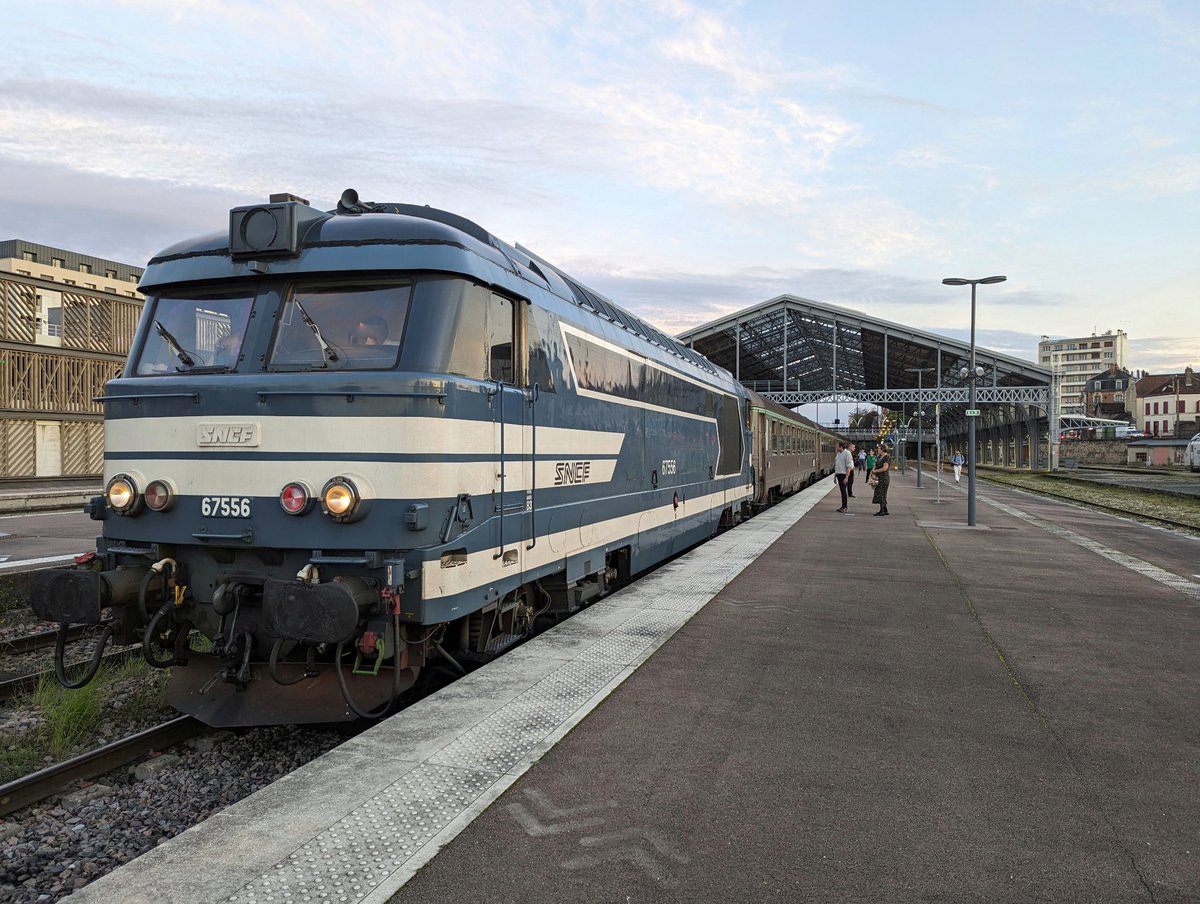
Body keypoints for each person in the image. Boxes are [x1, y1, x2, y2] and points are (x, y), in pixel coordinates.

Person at [833, 441, 853, 513]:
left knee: (844, 491)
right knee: (842, 491)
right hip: (839, 474)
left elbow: (848, 466)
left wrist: (847, 477)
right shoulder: (838, 454)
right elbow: (837, 465)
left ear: (841, 447)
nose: (836, 447)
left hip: (844, 474)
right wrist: (835, 476)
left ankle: (845, 507)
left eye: (837, 446)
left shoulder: (847, 453)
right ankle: (843, 506)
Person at [872, 444, 891, 516]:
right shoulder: (879, 456)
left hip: (884, 478)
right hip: (879, 477)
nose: (878, 450)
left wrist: (875, 471)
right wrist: (873, 470)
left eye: (879, 448)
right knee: (879, 493)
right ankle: (885, 509)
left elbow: (884, 468)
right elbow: (875, 464)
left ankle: (882, 511)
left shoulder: (887, 457)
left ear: (883, 449)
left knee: (882, 494)